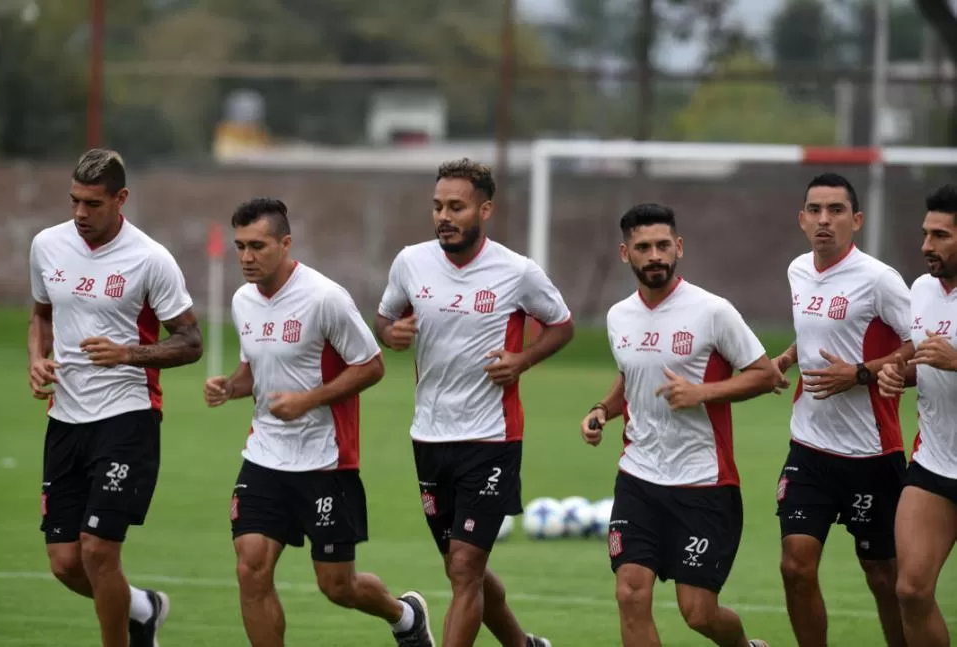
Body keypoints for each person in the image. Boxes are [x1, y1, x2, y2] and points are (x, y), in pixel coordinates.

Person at [204, 198, 435, 647]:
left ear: (285, 244)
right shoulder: (242, 301)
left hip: (326, 462)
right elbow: (254, 371)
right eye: (240, 247)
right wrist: (229, 387)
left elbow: (371, 366)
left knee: (337, 586)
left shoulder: (325, 298)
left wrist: (307, 400)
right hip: (265, 456)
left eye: (258, 246)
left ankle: (404, 616)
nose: (247, 258)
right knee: (250, 567)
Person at [375, 159, 573, 647]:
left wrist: (521, 360)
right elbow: (384, 319)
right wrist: (391, 334)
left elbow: (561, 324)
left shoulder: (517, 271)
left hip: (490, 439)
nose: (444, 215)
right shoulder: (410, 263)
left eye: (456, 207)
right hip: (428, 437)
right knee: (466, 568)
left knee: (464, 566)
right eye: (438, 206)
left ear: (484, 209)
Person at [27, 149, 203, 647]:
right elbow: (41, 315)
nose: (80, 214)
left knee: (99, 550)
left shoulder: (150, 258)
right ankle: (142, 608)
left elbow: (191, 342)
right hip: (65, 416)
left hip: (128, 417)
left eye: (93, 203)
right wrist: (36, 358)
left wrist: (128, 354)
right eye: (74, 201)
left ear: (120, 199)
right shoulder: (47, 245)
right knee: (65, 563)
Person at [578, 203, 774, 647]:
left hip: (703, 483)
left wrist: (700, 393)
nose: (654, 256)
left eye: (663, 245)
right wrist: (601, 411)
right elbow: (632, 377)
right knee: (630, 592)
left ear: (679, 248)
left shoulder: (713, 311)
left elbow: (766, 375)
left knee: (698, 613)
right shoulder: (617, 317)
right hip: (639, 478)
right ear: (626, 253)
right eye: (643, 247)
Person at [771, 173, 913, 647]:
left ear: (856, 220)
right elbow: (815, 329)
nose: (824, 220)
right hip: (809, 447)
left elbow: (921, 346)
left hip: (871, 453)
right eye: (815, 210)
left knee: (882, 575)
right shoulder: (797, 270)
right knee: (795, 563)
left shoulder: (880, 279)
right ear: (801, 219)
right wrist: (788, 358)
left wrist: (859, 373)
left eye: (835, 210)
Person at [877, 184, 957, 647]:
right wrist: (897, 376)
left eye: (941, 236)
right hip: (935, 466)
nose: (926, 246)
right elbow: (923, 362)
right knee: (910, 590)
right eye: (926, 234)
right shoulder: (922, 290)